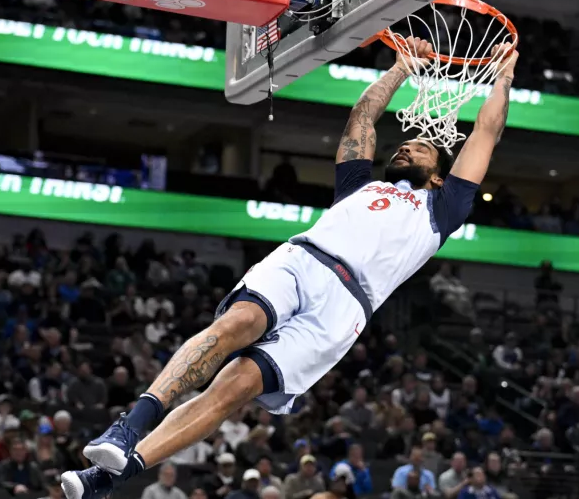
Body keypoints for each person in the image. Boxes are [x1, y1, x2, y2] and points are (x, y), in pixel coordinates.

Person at [61, 37, 519, 498]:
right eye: (405, 145)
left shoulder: (443, 207)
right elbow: (360, 119)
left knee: (235, 388)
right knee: (237, 324)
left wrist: (504, 77)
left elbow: (486, 131)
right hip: (304, 259)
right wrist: (399, 68)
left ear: (439, 174)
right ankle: (127, 428)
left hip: (345, 309)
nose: (406, 149)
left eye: (419, 150)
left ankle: (108, 477)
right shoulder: (359, 185)